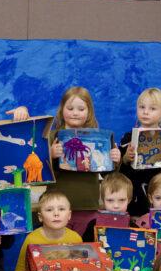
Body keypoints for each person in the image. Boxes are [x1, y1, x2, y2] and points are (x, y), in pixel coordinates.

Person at [48, 87, 122, 222]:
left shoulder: (99, 138)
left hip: (88, 204)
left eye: (81, 109)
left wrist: (115, 159)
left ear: (89, 112)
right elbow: (40, 171)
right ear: (62, 110)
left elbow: (109, 174)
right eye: (70, 108)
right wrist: (51, 155)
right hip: (57, 206)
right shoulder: (52, 137)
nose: (75, 113)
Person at [119, 88, 161, 217]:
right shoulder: (128, 138)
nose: (145, 112)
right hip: (136, 203)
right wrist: (126, 159)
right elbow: (121, 175)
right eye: (142, 107)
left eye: (152, 109)